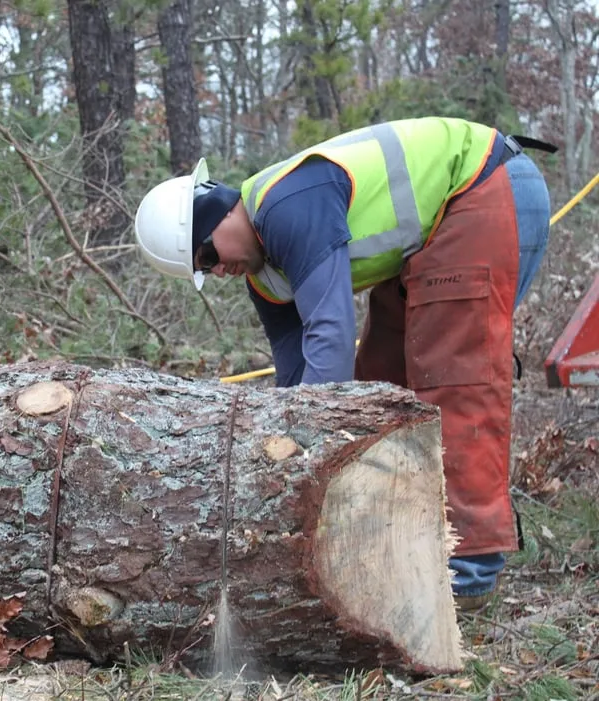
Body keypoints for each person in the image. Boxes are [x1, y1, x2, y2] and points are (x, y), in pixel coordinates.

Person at [134, 117, 552, 611]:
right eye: (204, 271)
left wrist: (313, 472)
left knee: (451, 379)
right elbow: (296, 383)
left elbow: (329, 341)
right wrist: (281, 461)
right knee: (379, 390)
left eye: (207, 254)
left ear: (220, 211)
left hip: (484, 187)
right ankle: (397, 544)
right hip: (434, 236)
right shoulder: (267, 276)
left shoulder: (287, 205)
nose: (216, 270)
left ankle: (466, 574)